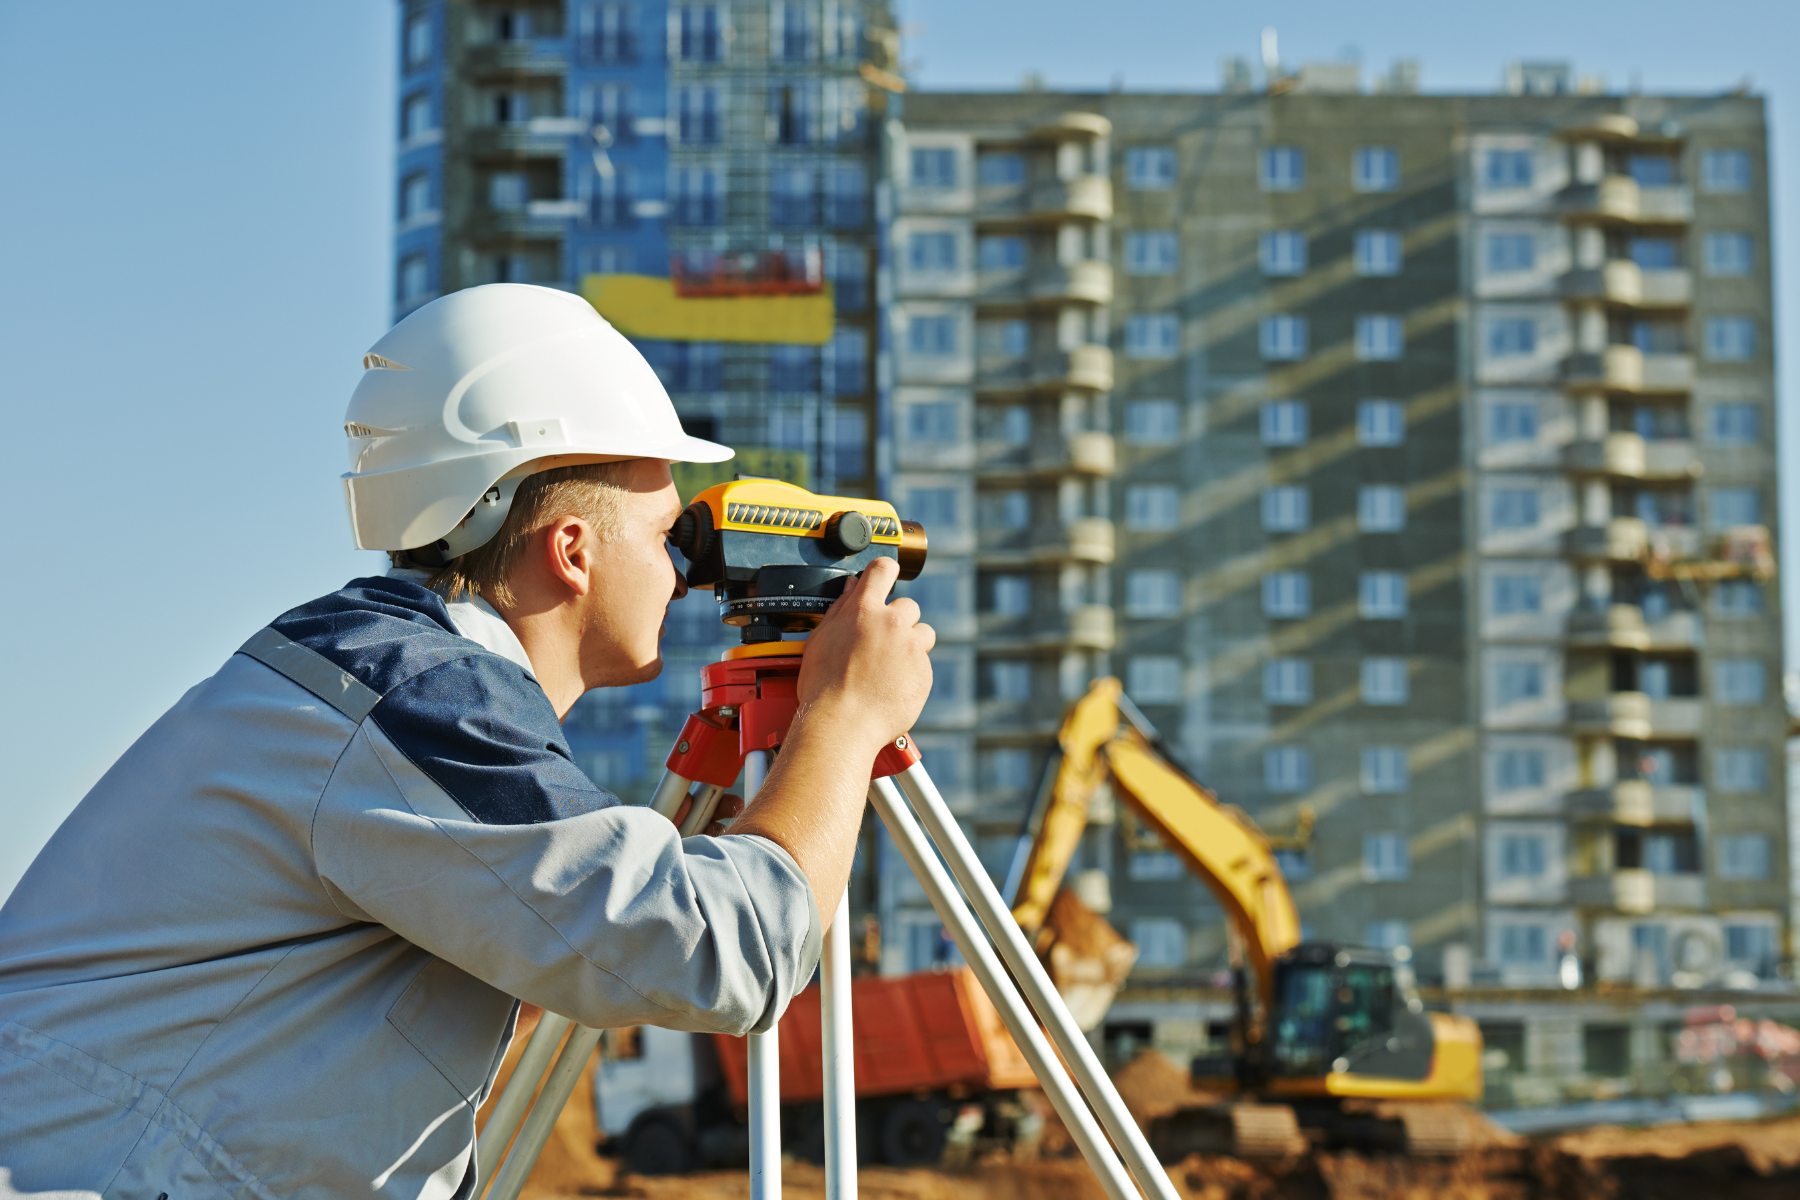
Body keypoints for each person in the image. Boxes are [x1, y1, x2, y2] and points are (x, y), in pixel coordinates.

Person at [0, 285, 934, 1198]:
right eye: (664, 536)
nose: (682, 572)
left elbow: (542, 963)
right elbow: (729, 955)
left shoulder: (369, 673)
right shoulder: (418, 699)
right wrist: (845, 720)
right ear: (572, 552)